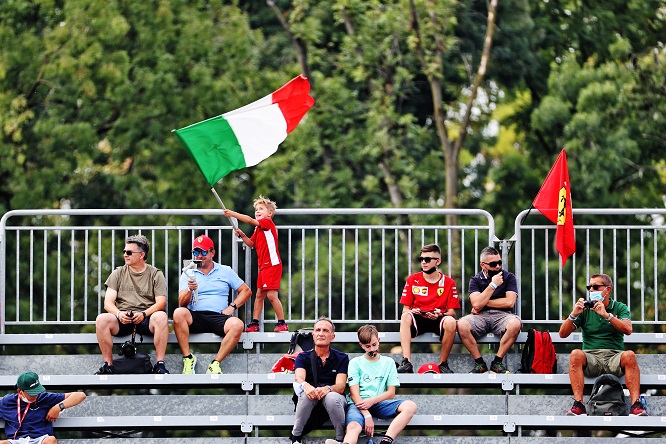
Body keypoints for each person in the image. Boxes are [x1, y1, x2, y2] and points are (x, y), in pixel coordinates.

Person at [559, 273, 647, 416]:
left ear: (608, 290)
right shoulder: (585, 310)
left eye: (595, 287)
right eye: (589, 287)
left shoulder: (619, 307)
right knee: (575, 354)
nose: (591, 290)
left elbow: (628, 329)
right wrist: (573, 314)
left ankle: (636, 405)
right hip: (591, 357)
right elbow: (562, 334)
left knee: (630, 355)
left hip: (614, 356)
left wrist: (607, 315)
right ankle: (579, 405)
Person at [173, 234, 252, 374]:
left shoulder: (225, 270)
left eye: (203, 252)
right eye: (196, 252)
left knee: (238, 324)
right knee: (178, 313)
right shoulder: (188, 272)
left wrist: (231, 307)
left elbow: (246, 291)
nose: (200, 256)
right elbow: (181, 302)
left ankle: (215, 363)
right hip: (195, 315)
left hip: (219, 315)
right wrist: (190, 290)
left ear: (212, 252)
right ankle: (188, 358)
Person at [95, 234, 170, 374]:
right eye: (124, 251)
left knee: (161, 316)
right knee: (102, 319)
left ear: (142, 255)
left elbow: (161, 303)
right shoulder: (118, 273)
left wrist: (144, 314)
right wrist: (118, 313)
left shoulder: (155, 274)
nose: (125, 255)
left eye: (129, 252)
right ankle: (108, 365)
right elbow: (108, 303)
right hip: (123, 317)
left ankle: (160, 364)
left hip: (146, 317)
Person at [343, 325, 417, 444]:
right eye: (367, 346)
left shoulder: (389, 362)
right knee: (353, 426)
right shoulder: (355, 363)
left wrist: (372, 401)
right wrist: (367, 416)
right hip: (358, 404)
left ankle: (386, 441)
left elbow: (391, 393)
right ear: (361, 345)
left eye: (374, 344)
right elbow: (354, 393)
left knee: (410, 406)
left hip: (379, 403)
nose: (372, 349)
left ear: (379, 341)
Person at [224, 196, 288, 332]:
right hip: (263, 266)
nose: (257, 211)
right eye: (256, 209)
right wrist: (242, 235)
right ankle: (255, 323)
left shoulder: (267, 223)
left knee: (271, 295)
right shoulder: (258, 229)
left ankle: (282, 322)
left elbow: (250, 220)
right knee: (259, 295)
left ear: (269, 213)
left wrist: (232, 214)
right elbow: (251, 244)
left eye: (261, 209)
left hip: (272, 265)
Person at [397, 243, 460, 374]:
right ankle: (406, 362)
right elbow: (405, 309)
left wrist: (440, 314)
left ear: (438, 261)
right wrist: (412, 311)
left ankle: (443, 364)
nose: (423, 262)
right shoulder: (412, 279)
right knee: (405, 316)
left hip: (438, 318)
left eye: (427, 259)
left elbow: (452, 313)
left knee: (451, 321)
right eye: (421, 259)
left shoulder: (449, 282)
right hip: (418, 318)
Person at [457, 246, 521, 374]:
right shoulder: (475, 280)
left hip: (503, 316)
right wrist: (493, 285)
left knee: (515, 323)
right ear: (483, 265)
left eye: (499, 263)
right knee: (461, 324)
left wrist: (483, 302)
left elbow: (509, 302)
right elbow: (476, 304)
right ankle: (479, 363)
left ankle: (497, 362)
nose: (498, 266)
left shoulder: (509, 277)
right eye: (493, 264)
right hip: (480, 316)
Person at [290, 317, 349, 444]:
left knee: (331, 397)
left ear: (332, 336)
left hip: (334, 399)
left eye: (325, 331)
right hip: (311, 398)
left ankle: (340, 439)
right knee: (307, 394)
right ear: (313, 335)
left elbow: (341, 386)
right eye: (318, 330)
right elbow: (299, 377)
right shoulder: (302, 357)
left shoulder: (342, 358)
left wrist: (328, 389)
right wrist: (306, 386)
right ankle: (296, 438)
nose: (321, 333)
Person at [0, 371, 86, 443]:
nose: (36, 395)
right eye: (32, 393)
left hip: (40, 439)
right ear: (20, 391)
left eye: (37, 391)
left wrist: (58, 407)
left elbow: (80, 395)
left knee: (51, 440)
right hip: (17, 440)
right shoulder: (7, 401)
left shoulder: (44, 397)